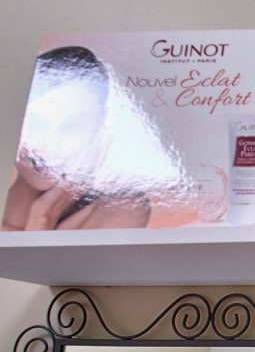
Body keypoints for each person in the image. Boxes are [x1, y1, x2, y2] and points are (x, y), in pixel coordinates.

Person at [2, 46, 150, 230]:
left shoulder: (123, 208)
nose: (50, 144)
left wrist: (47, 212)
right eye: (36, 122)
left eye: (74, 126)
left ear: (100, 132)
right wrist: (43, 217)